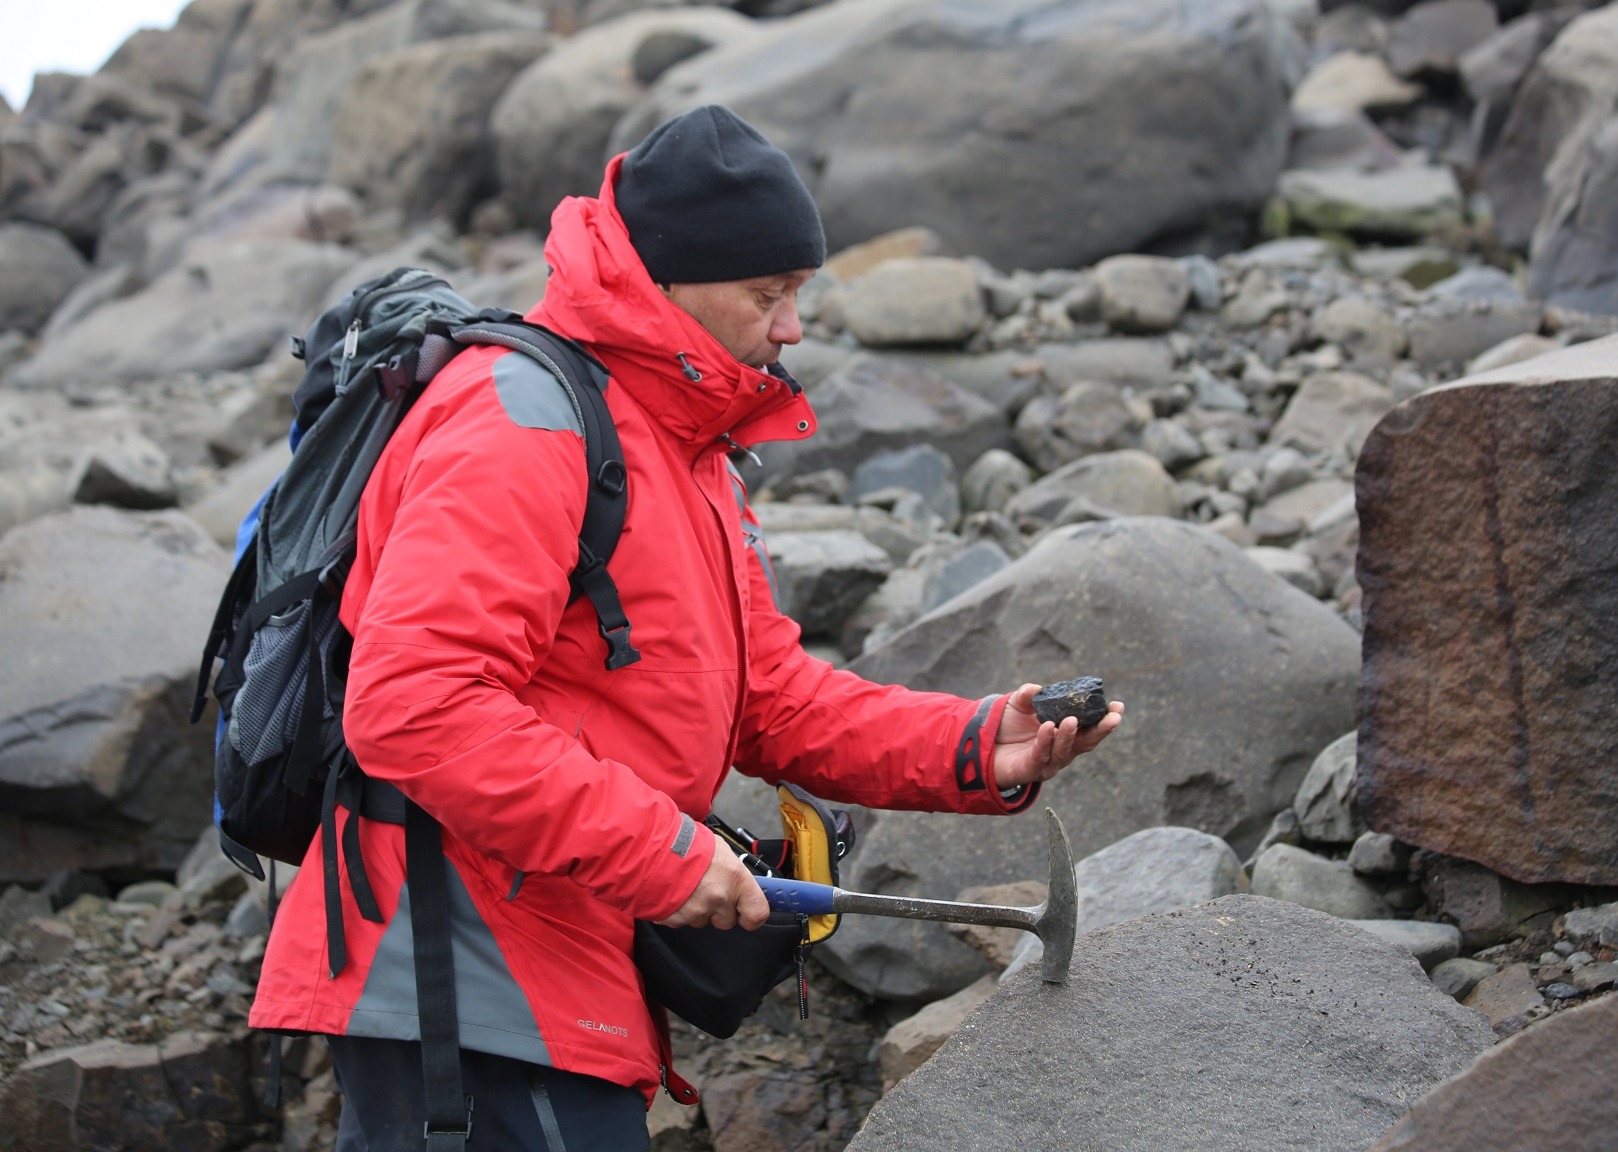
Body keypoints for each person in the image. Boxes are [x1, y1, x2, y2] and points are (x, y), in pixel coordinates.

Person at [249, 104, 1124, 1150]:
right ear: (670, 277)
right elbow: (416, 707)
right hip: (452, 972)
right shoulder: (518, 419)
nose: (793, 326)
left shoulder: (680, 448)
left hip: (553, 958)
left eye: (799, 292)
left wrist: (976, 746)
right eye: (771, 293)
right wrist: (662, 850)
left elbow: (768, 699)